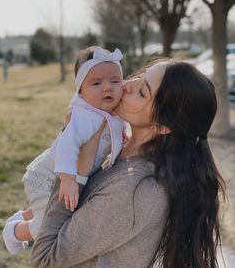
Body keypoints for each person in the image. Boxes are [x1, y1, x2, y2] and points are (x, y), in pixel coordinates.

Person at [31, 58, 225, 268]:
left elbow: (45, 260)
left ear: (162, 126)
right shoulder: (115, 147)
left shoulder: (135, 191)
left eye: (142, 92)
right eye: (140, 76)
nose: (127, 84)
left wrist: (74, 174)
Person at [2, 46, 126, 255]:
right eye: (96, 83)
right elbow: (68, 146)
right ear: (80, 91)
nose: (107, 88)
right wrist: (68, 180)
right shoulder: (83, 116)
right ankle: (14, 231)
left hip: (69, 177)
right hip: (47, 176)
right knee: (46, 227)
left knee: (54, 207)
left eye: (115, 81)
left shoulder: (112, 114)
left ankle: (24, 215)